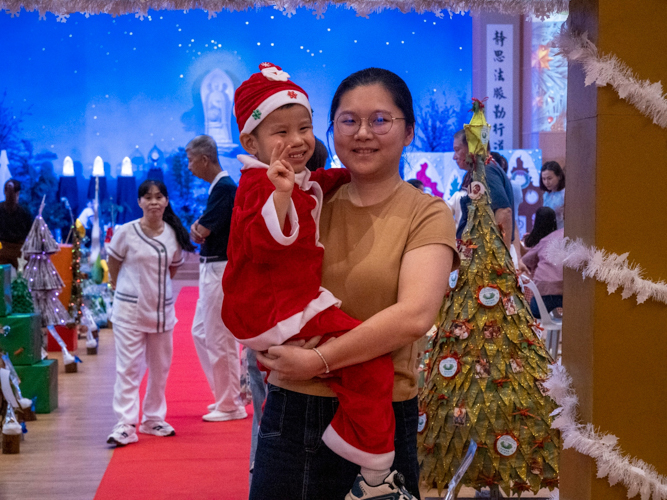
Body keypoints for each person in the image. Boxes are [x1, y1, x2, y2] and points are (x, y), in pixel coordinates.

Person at [250, 67, 458, 500]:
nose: (363, 133)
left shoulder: (427, 213)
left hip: (381, 418)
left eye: (380, 120)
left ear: (408, 132)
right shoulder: (307, 200)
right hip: (293, 410)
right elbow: (258, 276)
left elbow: (414, 316)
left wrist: (319, 360)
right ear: (332, 131)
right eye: (349, 121)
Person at [224, 62, 399, 497]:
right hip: (278, 306)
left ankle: (352, 442)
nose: (297, 140)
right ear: (251, 141)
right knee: (370, 362)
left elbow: (314, 182)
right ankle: (371, 461)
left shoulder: (286, 179)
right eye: (280, 132)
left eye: (304, 127)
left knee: (355, 364)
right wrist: (282, 195)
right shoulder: (258, 186)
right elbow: (266, 239)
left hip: (286, 301)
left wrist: (348, 174)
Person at [105, 180, 194, 446]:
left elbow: (173, 268)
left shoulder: (172, 233)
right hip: (129, 310)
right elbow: (114, 262)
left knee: (160, 367)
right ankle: (125, 423)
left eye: (159, 197)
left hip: (162, 312)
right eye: (148, 197)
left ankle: (153, 418)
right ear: (139, 202)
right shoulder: (126, 231)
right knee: (128, 368)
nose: (154, 202)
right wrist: (119, 284)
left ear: (166, 201)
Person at [186, 135, 246, 423]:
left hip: (220, 268)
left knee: (219, 337)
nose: (188, 166)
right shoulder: (218, 188)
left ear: (205, 159)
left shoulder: (224, 188)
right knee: (200, 332)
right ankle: (225, 394)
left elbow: (202, 231)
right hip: (211, 266)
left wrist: (198, 228)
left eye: (190, 159)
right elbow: (198, 230)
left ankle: (230, 403)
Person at [453, 130, 514, 248]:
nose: (454, 157)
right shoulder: (481, 171)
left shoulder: (486, 171)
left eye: (457, 150)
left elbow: (504, 212)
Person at [522, 206, 564, 318]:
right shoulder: (576, 238)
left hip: (541, 297)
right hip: (567, 294)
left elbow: (524, 261)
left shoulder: (544, 240)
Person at [0, 179, 32, 269]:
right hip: (19, 249)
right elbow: (31, 233)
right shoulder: (25, 211)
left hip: (3, 248)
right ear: (18, 193)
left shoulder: (24, 212)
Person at [540, 161, 565, 229]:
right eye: (544, 179)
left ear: (559, 177)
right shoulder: (546, 195)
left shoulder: (565, 194)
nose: (546, 182)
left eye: (549, 178)